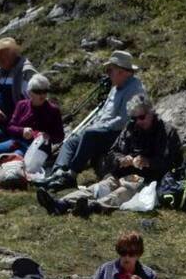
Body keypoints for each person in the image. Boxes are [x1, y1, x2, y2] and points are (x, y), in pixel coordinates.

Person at [36, 95, 182, 216]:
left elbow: (171, 163)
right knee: (99, 187)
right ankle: (61, 203)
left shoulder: (167, 132)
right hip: (123, 174)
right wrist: (121, 160)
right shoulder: (131, 128)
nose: (138, 122)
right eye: (134, 118)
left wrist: (148, 162)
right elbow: (114, 152)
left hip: (147, 179)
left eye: (142, 117)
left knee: (122, 192)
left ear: (152, 113)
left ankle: (92, 207)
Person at [41, 50, 146, 191]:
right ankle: (57, 173)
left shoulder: (135, 89)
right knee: (71, 141)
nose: (108, 74)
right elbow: (104, 112)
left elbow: (123, 121)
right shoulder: (116, 87)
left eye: (110, 70)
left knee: (89, 134)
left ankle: (71, 175)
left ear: (121, 71)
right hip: (104, 129)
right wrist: (95, 124)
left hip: (120, 134)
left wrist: (99, 127)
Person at [4, 74, 64, 148]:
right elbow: (10, 127)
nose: (42, 95)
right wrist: (22, 131)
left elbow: (60, 137)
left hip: (37, 148)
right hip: (16, 142)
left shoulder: (54, 110)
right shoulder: (21, 105)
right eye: (38, 91)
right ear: (29, 92)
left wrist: (47, 136)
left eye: (45, 91)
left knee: (12, 155)